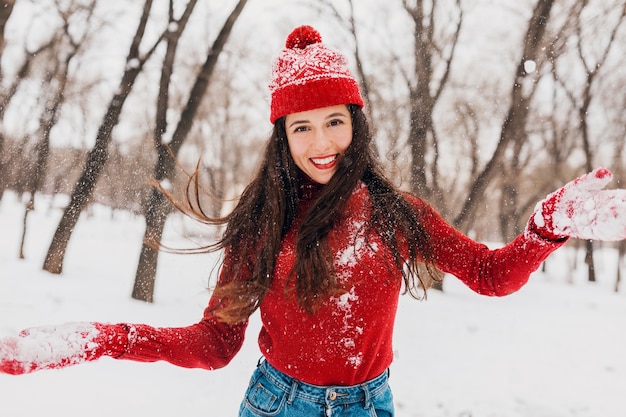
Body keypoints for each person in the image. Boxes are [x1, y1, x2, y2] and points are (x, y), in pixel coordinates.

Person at [1, 25, 625, 417]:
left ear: (356, 121)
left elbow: (492, 276)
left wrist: (548, 224)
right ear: (283, 136)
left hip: (370, 404)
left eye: (334, 120)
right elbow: (214, 345)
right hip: (280, 404)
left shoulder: (397, 212)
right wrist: (100, 339)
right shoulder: (262, 224)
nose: (321, 140)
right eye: (302, 126)